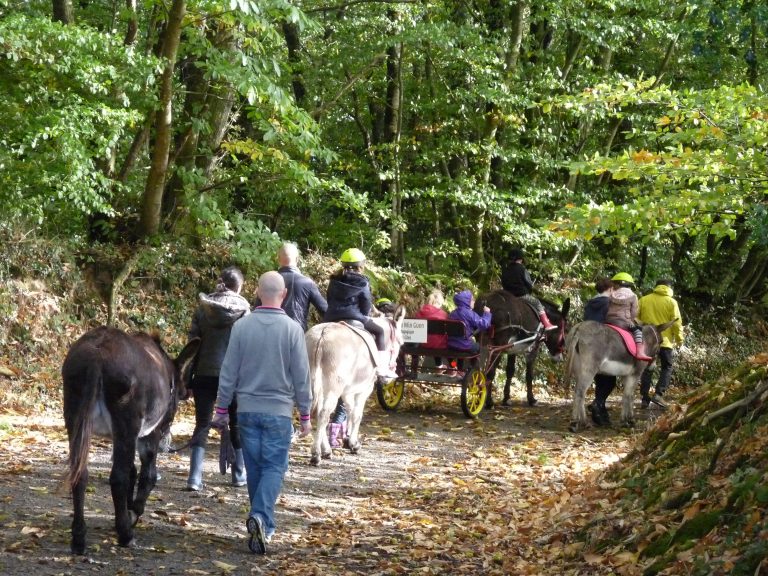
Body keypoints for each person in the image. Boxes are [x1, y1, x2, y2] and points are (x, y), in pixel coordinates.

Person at [212, 271, 311, 555]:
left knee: (255, 468)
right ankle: (260, 517)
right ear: (284, 295)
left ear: (257, 292)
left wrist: (221, 408)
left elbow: (228, 371)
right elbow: (301, 376)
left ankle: (263, 526)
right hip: (279, 412)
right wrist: (305, 414)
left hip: (246, 411)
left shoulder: (241, 327)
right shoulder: (293, 329)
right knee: (274, 468)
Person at [186, 266, 250, 491]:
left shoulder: (203, 309)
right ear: (239, 286)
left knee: (202, 424)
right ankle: (239, 474)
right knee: (236, 423)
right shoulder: (245, 310)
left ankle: (194, 478)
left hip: (204, 373)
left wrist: (187, 380)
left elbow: (192, 346)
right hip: (235, 378)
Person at [323, 248, 398, 383]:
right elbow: (366, 306)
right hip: (354, 317)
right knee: (380, 331)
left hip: (330, 317)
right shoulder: (362, 282)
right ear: (361, 266)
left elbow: (329, 299)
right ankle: (381, 369)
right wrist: (366, 314)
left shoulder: (334, 279)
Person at [638, 279, 685, 409]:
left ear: (656, 286)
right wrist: (680, 339)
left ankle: (644, 398)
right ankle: (659, 394)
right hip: (665, 342)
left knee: (647, 369)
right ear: (669, 288)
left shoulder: (644, 300)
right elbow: (676, 323)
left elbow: (635, 318)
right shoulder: (672, 302)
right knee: (667, 367)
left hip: (648, 341)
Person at [272, 242, 327, 331]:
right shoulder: (307, 283)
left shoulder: (269, 281)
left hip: (273, 331)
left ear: (278, 259)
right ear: (297, 259)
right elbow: (324, 310)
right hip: (298, 332)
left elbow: (257, 309)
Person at [584, 277, 617, 426]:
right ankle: (598, 404)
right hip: (604, 341)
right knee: (610, 380)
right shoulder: (609, 303)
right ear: (610, 289)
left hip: (589, 341)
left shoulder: (590, 303)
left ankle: (600, 412)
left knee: (599, 380)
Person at [500, 247, 557, 331]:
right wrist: (529, 291)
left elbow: (503, 283)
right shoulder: (522, 269)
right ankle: (546, 324)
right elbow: (529, 284)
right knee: (537, 303)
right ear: (520, 259)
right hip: (522, 295)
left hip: (508, 297)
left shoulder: (505, 270)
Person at [605, 272, 653, 362]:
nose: (613, 285)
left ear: (618, 284)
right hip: (623, 322)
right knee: (638, 331)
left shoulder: (611, 294)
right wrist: (631, 320)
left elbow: (607, 306)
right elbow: (634, 312)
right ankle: (639, 352)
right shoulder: (633, 296)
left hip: (608, 320)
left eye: (614, 283)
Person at [447, 289, 492, 373]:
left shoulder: (452, 314)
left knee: (460, 345)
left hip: (451, 344)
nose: (474, 302)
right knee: (478, 347)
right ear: (466, 301)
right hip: (465, 346)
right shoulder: (469, 314)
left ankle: (453, 366)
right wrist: (487, 313)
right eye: (472, 299)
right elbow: (484, 324)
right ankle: (471, 369)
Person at [414, 289, 450, 373]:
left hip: (423, 344)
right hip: (440, 345)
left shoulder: (420, 312)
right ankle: (454, 367)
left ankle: (439, 366)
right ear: (439, 303)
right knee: (439, 344)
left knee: (433, 340)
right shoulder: (443, 314)